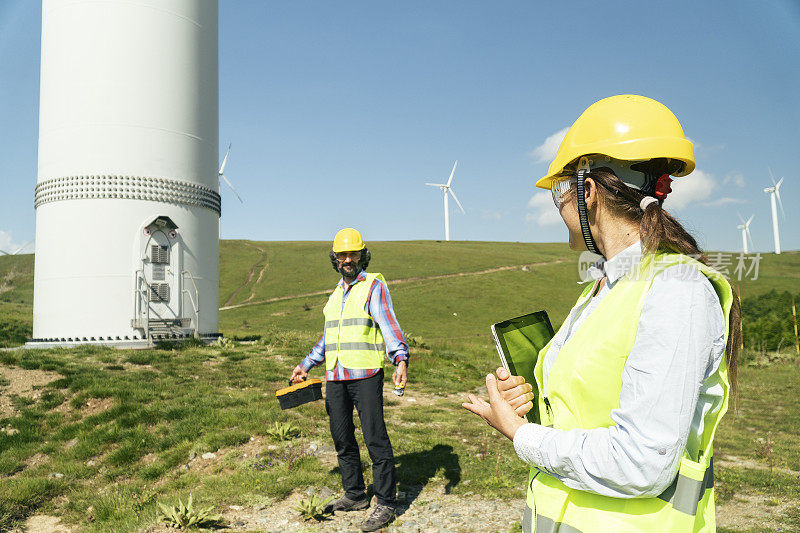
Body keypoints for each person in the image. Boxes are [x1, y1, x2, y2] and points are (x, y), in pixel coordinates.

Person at [462, 95, 741, 533]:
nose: (556, 207)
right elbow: (590, 405)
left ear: (586, 192)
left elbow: (640, 464)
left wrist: (521, 435)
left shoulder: (675, 292)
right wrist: (530, 403)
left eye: (559, 192)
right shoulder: (605, 286)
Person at [291, 228, 409, 532]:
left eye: (353, 253)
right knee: (342, 437)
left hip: (366, 375)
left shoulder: (373, 287)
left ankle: (385, 502)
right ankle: (355, 494)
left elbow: (389, 325)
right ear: (335, 258)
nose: (347, 259)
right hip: (336, 376)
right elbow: (329, 337)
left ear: (362, 255)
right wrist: (305, 365)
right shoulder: (335, 294)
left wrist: (400, 358)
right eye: (342, 254)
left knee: (375, 438)